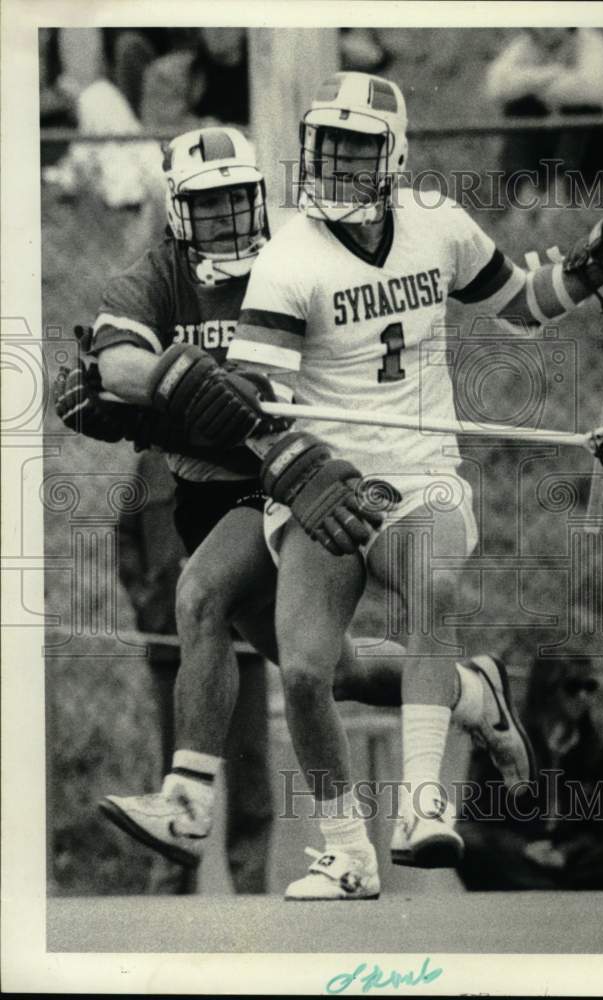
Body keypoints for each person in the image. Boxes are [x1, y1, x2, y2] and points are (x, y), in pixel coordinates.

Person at [215, 70, 603, 900]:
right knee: (312, 673)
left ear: (392, 158)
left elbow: (521, 305)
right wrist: (301, 472)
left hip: (423, 478)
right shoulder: (288, 256)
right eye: (327, 149)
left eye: (357, 153)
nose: (337, 167)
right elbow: (256, 408)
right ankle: (351, 850)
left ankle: (423, 805)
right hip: (326, 485)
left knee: (433, 584)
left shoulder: (437, 224)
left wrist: (594, 264)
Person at [54, 124, 524, 886]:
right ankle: (472, 689)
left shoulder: (295, 254)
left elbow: (323, 377)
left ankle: (187, 799)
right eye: (207, 206)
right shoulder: (155, 275)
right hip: (217, 489)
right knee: (326, 672)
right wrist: (150, 394)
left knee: (201, 594)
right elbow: (119, 363)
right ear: (176, 213)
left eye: (240, 199)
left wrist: (182, 403)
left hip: (288, 480)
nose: (228, 219)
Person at [116, 448, 273, 894]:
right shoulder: (149, 463)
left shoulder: (244, 449)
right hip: (172, 643)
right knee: (176, 762)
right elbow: (125, 538)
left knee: (250, 769)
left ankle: (251, 884)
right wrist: (148, 601)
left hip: (242, 642)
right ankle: (172, 885)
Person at [457, 656, 603, 891]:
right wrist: (523, 848)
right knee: (465, 842)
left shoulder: (596, 751)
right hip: (516, 855)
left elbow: (595, 832)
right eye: (572, 687)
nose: (583, 696)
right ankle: (544, 888)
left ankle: (546, 887)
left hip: (567, 861)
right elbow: (473, 822)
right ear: (547, 689)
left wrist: (563, 853)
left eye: (589, 687)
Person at [484, 28, 603, 186]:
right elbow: (496, 86)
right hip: (555, 143)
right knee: (521, 108)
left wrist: (532, 85)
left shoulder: (589, 41)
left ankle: (560, 192)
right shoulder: (525, 45)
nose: (545, 29)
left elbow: (593, 89)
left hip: (601, 142)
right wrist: (551, 75)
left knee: (579, 107)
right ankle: (525, 190)